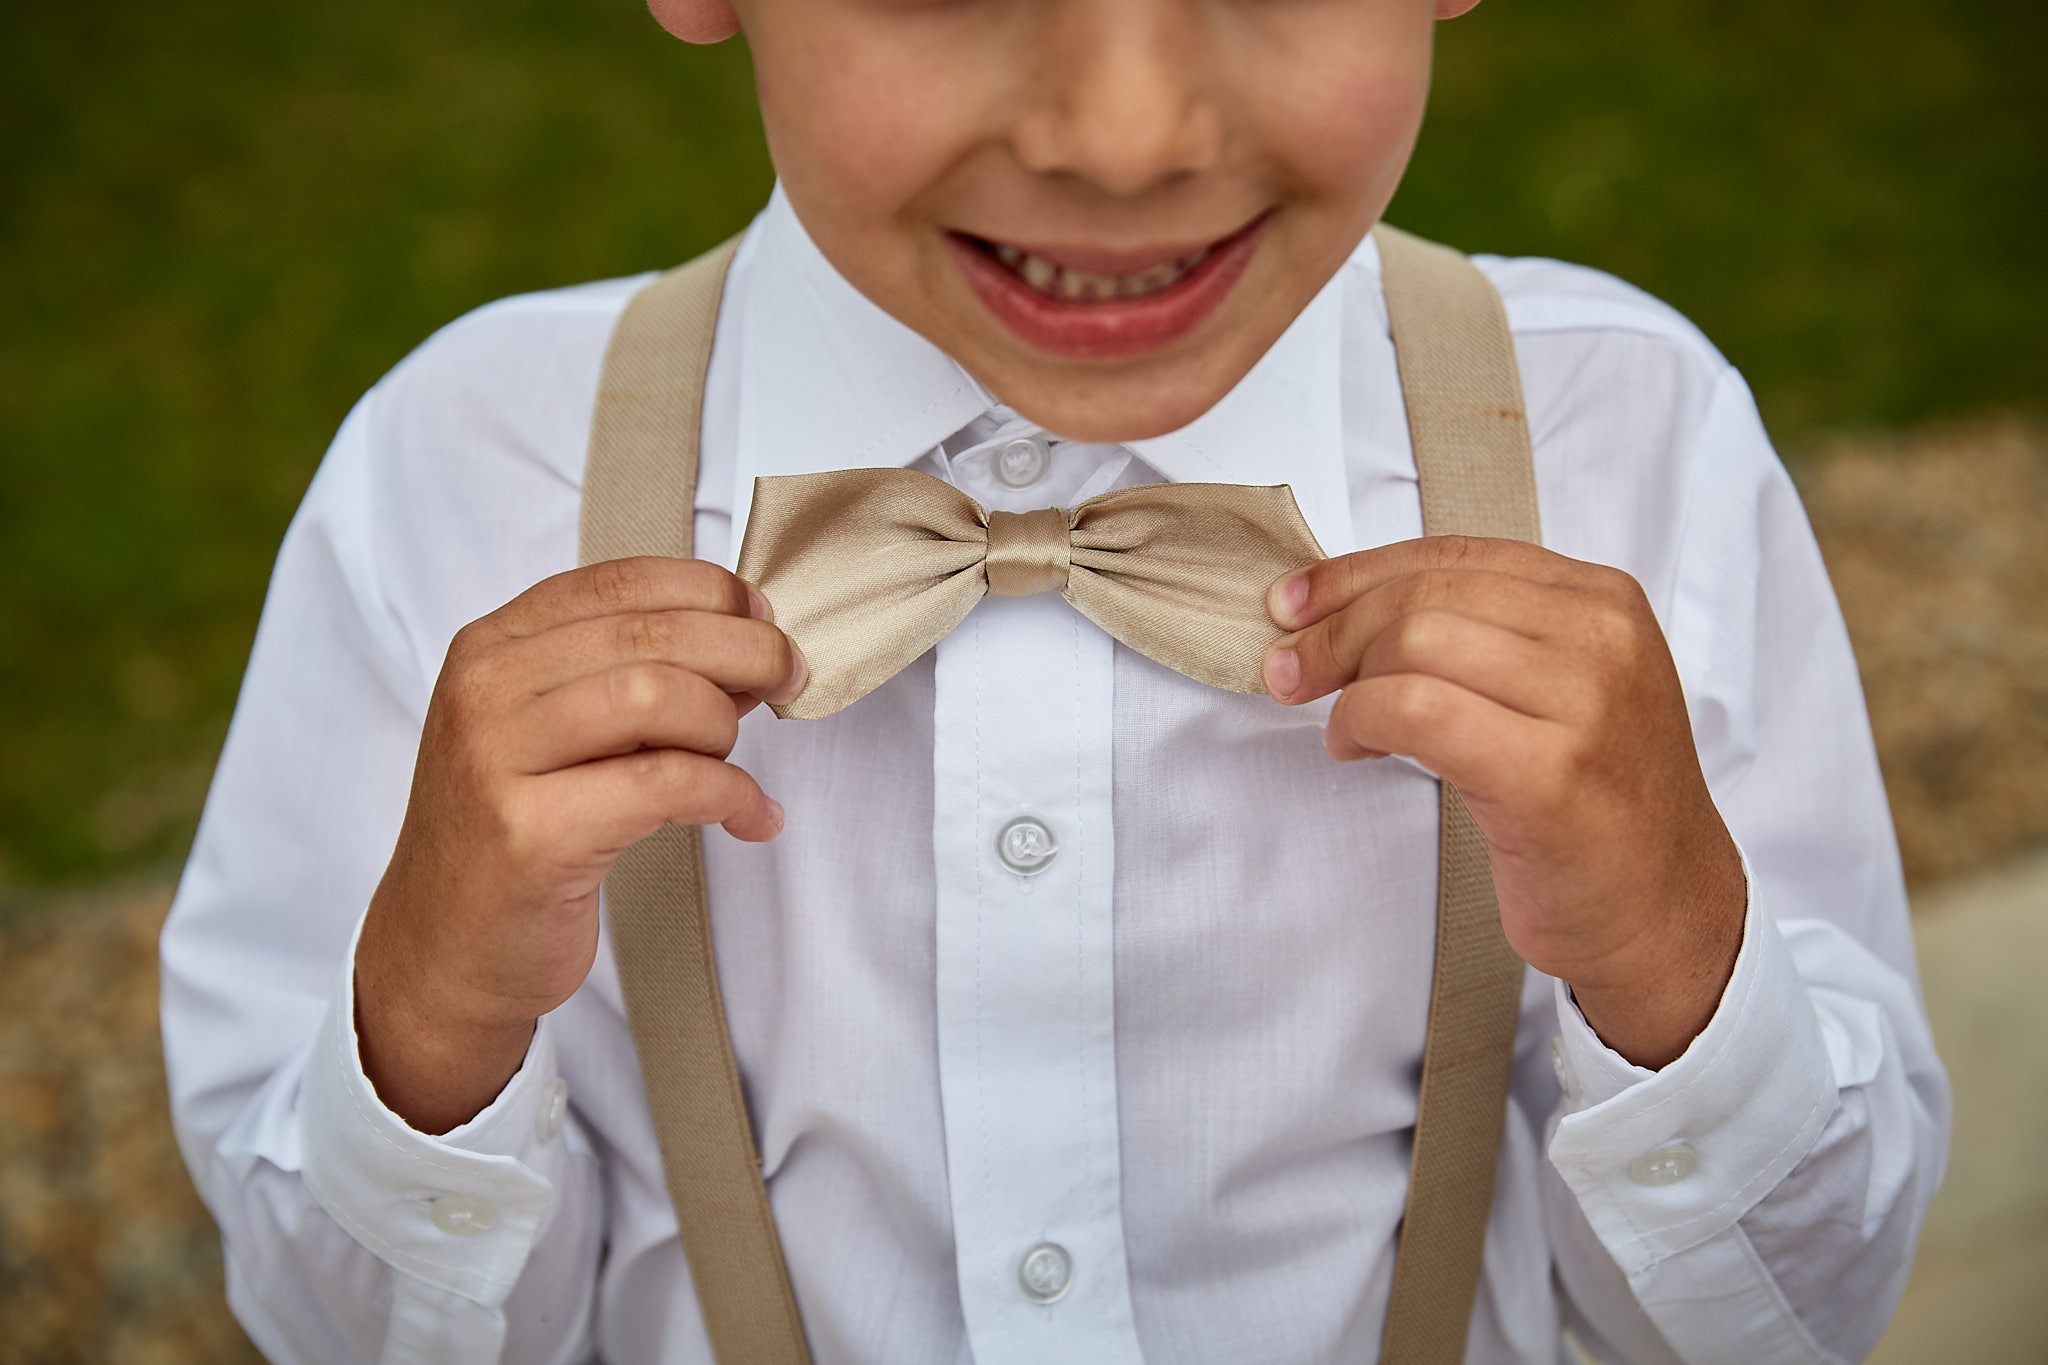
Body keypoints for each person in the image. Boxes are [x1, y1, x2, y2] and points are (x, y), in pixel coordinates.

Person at [159, 0, 1949, 1361]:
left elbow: (1798, 1315)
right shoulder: (455, 478)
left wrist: (1674, 962)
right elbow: (336, 1325)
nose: (1125, 134)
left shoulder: (1630, 441)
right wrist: (432, 1021)